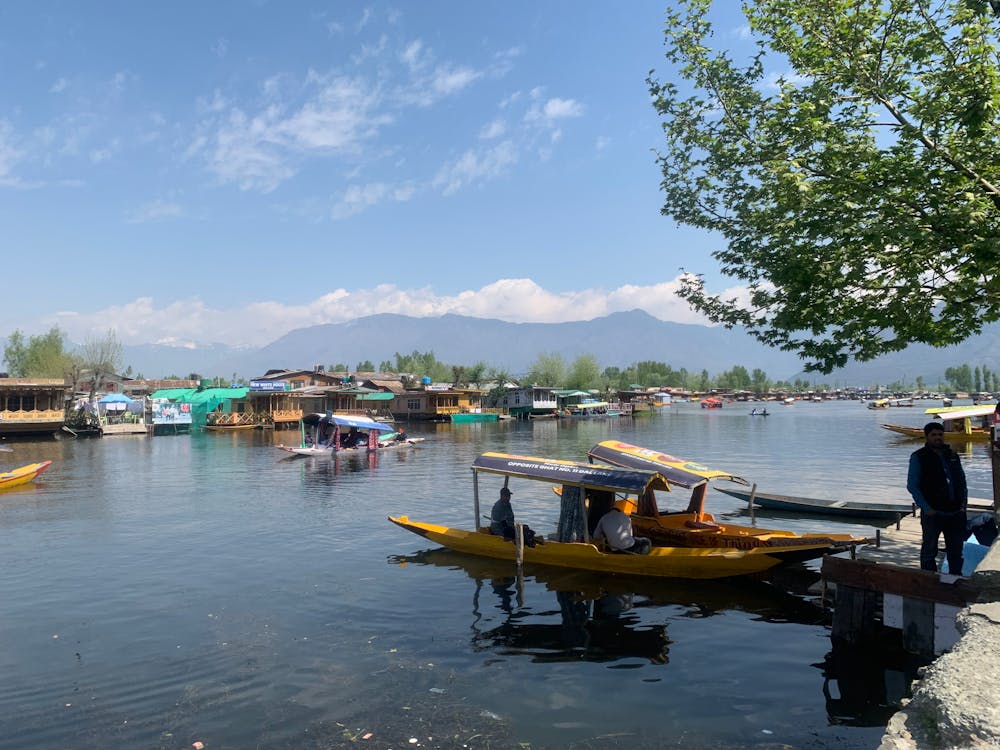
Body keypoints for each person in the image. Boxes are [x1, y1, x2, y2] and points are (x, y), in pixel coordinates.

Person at [907, 422, 968, 574]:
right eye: (934, 435)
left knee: (956, 552)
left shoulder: (952, 455)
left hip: (955, 512)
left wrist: (963, 505)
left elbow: (962, 481)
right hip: (933, 513)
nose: (937, 438)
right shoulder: (919, 457)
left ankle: (955, 582)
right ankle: (928, 582)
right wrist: (927, 509)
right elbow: (912, 485)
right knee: (929, 551)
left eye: (940, 434)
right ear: (927, 436)